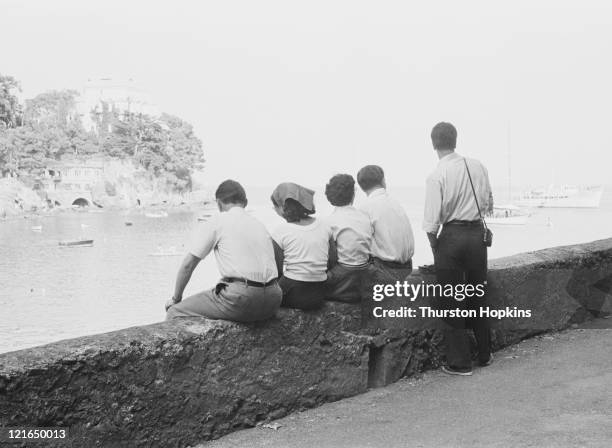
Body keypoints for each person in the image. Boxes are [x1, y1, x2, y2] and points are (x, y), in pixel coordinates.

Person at [424, 122, 494, 376]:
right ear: (455, 139)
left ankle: (460, 362)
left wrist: (436, 249)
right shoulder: (477, 166)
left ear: (433, 144)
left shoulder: (436, 175)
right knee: (478, 293)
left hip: (451, 237)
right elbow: (487, 203)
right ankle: (485, 354)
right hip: (476, 235)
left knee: (451, 299)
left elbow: (431, 223)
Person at [165, 180, 282, 322]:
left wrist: (176, 298)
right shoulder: (259, 225)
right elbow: (278, 261)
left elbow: (188, 265)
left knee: (174, 312)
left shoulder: (218, 221)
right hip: (273, 298)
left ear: (219, 203)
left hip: (242, 298)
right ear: (245, 202)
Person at [271, 182, 333, 310]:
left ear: (282, 207)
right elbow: (332, 260)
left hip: (294, 291)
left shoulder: (281, 231)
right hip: (319, 292)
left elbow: (276, 270)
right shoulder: (324, 225)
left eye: (275, 206)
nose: (274, 209)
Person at [356, 165, 415, 283]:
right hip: (407, 266)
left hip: (385, 269)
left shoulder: (365, 208)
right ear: (383, 181)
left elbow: (360, 245)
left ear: (361, 187)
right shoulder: (395, 202)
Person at [323, 174, 372, 303]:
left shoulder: (329, 221)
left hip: (343, 274)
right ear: (353, 194)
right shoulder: (364, 217)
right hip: (365, 271)